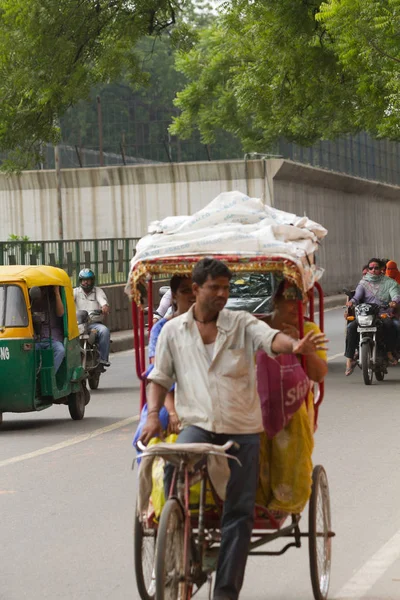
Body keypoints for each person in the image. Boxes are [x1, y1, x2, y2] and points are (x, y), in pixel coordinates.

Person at [139, 257, 327, 600]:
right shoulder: (172, 331)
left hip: (241, 427)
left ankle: (225, 592)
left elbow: (270, 339)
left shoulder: (240, 323)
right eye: (215, 288)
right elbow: (159, 377)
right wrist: (153, 414)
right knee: (172, 481)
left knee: (239, 514)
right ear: (195, 290)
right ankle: (180, 550)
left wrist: (295, 346)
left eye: (227, 288)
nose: (222, 294)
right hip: (198, 425)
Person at [257, 280, 328, 515]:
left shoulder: (309, 331)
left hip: (293, 401)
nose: (295, 307)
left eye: (301, 301)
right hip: (256, 399)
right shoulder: (259, 327)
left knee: (291, 429)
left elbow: (318, 374)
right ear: (276, 300)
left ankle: (285, 500)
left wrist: (303, 349)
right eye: (289, 300)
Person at [133, 274, 196, 451]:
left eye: (196, 290)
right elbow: (159, 372)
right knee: (143, 439)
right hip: (169, 392)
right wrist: (171, 411)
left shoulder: (212, 324)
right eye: (185, 291)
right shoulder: (163, 328)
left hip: (202, 393)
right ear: (174, 295)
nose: (192, 296)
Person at [345, 258, 400, 374]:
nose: (373, 270)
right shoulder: (363, 283)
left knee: (392, 326)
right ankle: (349, 360)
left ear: (381, 269)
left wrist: (394, 301)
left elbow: (395, 295)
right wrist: (352, 302)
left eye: (376, 268)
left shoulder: (390, 283)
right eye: (371, 268)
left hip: (383, 314)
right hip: (366, 315)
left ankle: (390, 352)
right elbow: (357, 297)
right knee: (350, 327)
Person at [73, 269, 111, 367]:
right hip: (78, 324)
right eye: (83, 280)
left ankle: (103, 359)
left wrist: (104, 306)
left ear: (92, 280)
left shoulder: (98, 291)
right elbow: (68, 301)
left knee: (104, 331)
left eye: (88, 280)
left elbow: (102, 300)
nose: (85, 282)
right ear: (80, 281)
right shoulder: (75, 292)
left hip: (93, 324)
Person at [35, 286, 66, 373]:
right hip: (36, 339)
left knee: (60, 350)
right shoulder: (31, 303)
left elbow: (60, 313)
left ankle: (51, 376)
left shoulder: (53, 301)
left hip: (53, 338)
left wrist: (57, 293)